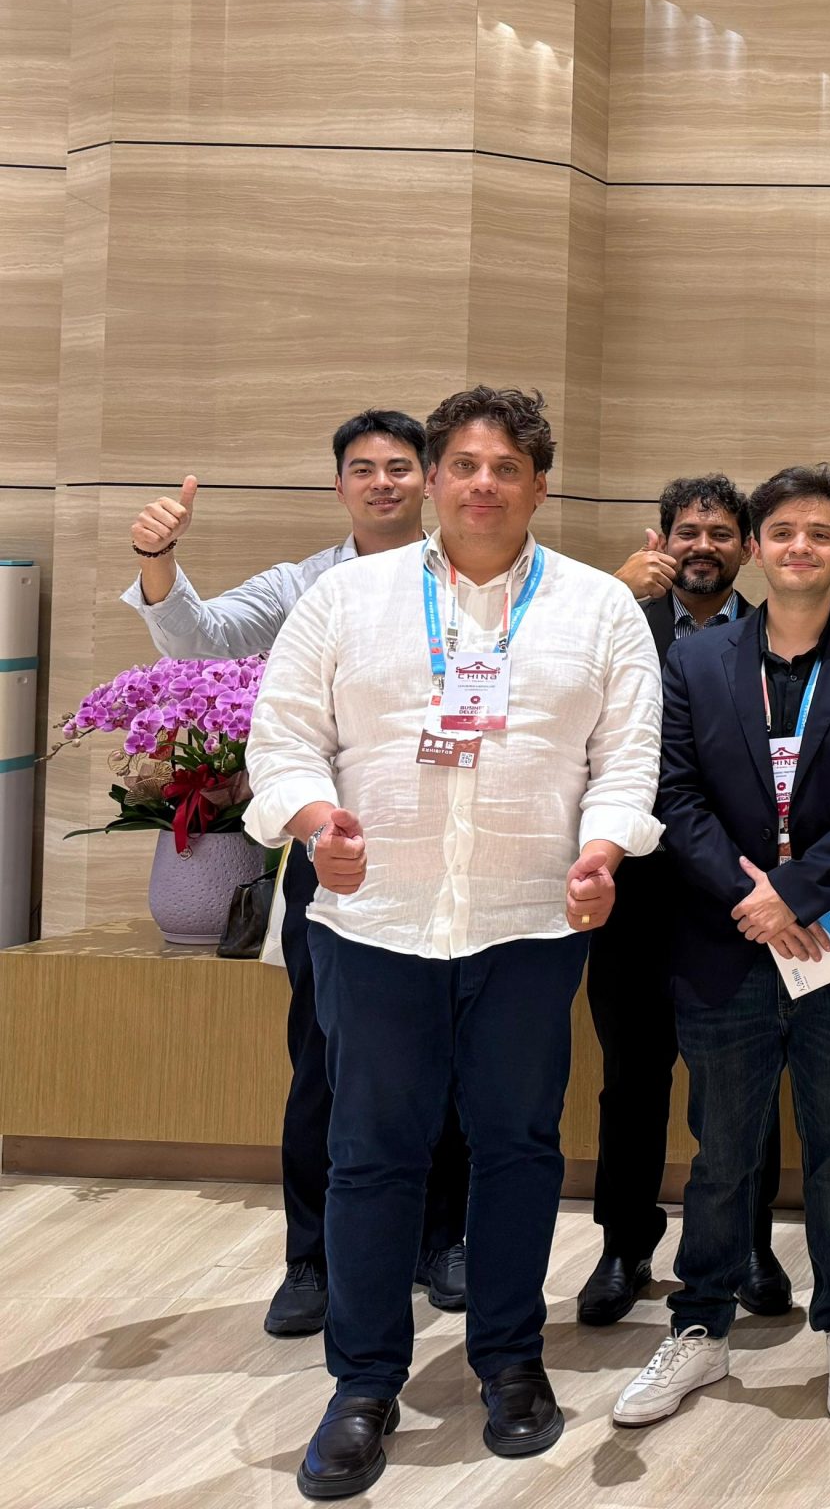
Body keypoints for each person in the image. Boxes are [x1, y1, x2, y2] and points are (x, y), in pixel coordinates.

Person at [245, 385, 663, 1502]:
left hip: (529, 923)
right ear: (433, 479)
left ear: (539, 485)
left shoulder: (598, 609)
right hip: (376, 921)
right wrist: (313, 822)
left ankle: (510, 1360)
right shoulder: (346, 599)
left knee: (519, 1148)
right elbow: (281, 741)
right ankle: (363, 1383)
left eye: (507, 467)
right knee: (371, 1153)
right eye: (464, 465)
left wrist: (604, 850)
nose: (484, 484)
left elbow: (628, 760)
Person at [123, 413, 470, 1337]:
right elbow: (197, 639)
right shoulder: (301, 584)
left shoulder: (472, 579)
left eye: (401, 466)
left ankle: (444, 1239)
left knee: (446, 1049)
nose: (384, 482)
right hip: (332, 852)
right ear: (339, 486)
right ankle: (311, 1259)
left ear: (431, 479)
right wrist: (158, 560)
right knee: (325, 1059)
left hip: (449, 851)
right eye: (364, 469)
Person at [613, 465, 830, 1432]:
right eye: (782, 532)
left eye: (819, 534)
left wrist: (795, 891)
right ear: (756, 547)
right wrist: (751, 895)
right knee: (720, 1152)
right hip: (723, 940)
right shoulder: (696, 662)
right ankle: (699, 1327)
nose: (800, 547)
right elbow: (673, 794)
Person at [578, 476, 790, 1326]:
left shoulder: (776, 635)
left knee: (744, 1084)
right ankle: (623, 1246)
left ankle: (750, 1243)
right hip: (631, 889)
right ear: (661, 539)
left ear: (747, 548)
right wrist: (614, 593)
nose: (703, 545)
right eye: (687, 532)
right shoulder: (615, 621)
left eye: (721, 533)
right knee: (631, 1080)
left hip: (735, 895)